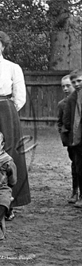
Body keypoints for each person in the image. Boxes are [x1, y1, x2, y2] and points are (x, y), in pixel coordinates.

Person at [0, 30, 30, 215]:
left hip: (6, 110)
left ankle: (10, 202)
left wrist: (7, 111)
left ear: (3, 46)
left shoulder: (12, 67)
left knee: (8, 153)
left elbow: (20, 98)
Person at [57, 75, 78, 203]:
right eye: (63, 86)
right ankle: (75, 191)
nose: (65, 88)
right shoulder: (62, 104)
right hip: (71, 141)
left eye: (68, 85)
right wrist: (64, 135)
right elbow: (60, 122)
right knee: (75, 165)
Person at [63, 69, 82, 207]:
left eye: (79, 81)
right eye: (74, 82)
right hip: (78, 138)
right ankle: (80, 195)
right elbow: (66, 120)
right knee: (79, 167)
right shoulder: (71, 99)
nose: (76, 84)